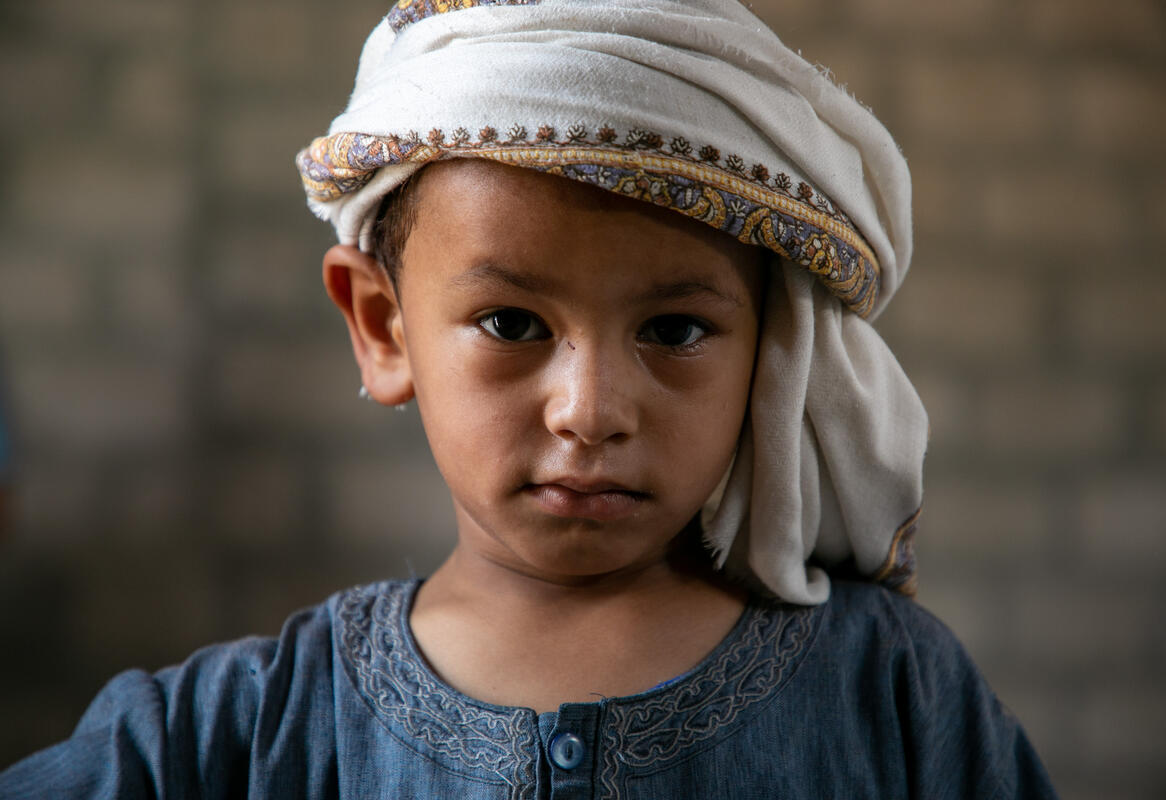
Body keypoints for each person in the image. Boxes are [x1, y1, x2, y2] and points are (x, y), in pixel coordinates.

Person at [0, 0, 1057, 797]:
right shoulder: (235, 731)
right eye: (513, 324)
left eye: (675, 330)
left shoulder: (894, 691)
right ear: (381, 326)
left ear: (771, 350)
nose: (590, 409)